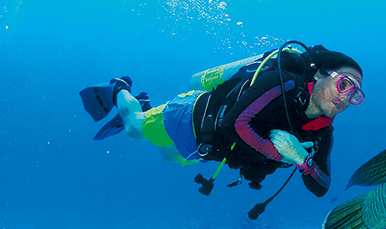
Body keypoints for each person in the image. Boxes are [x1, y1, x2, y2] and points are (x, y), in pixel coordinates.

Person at [79, 43, 364, 198]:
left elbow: (322, 187)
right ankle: (120, 88)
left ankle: (146, 105)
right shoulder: (284, 84)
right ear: (320, 74)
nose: (346, 97)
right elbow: (233, 123)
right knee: (133, 128)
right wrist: (280, 153)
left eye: (355, 95)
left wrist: (302, 159)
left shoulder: (321, 132)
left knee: (166, 156)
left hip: (209, 149)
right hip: (189, 118)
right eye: (344, 85)